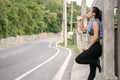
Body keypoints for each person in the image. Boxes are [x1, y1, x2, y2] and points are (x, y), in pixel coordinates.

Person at [75, 7, 103, 80]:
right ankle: (95, 62)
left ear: (93, 13)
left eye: (89, 11)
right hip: (93, 47)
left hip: (95, 47)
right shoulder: (91, 22)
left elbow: (96, 36)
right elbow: (82, 29)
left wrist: (88, 46)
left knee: (78, 59)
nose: (88, 12)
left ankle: (96, 62)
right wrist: (81, 20)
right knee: (92, 71)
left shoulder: (95, 23)